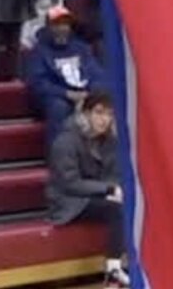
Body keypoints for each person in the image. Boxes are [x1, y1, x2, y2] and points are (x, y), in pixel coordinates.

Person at [46, 91, 129, 288]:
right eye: (99, 113)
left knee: (125, 204)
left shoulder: (110, 141)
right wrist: (108, 189)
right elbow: (69, 183)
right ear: (85, 114)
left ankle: (121, 266)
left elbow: (114, 174)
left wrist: (113, 190)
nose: (104, 119)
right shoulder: (66, 141)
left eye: (109, 114)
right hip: (68, 201)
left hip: (95, 196)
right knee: (114, 208)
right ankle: (113, 271)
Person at [24, 5, 106, 147]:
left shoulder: (81, 48)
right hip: (55, 97)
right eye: (57, 24)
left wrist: (89, 93)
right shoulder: (39, 51)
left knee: (103, 99)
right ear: (48, 27)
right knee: (58, 108)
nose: (62, 28)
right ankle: (58, 154)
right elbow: (38, 83)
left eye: (65, 24)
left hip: (84, 93)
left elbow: (96, 73)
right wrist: (66, 94)